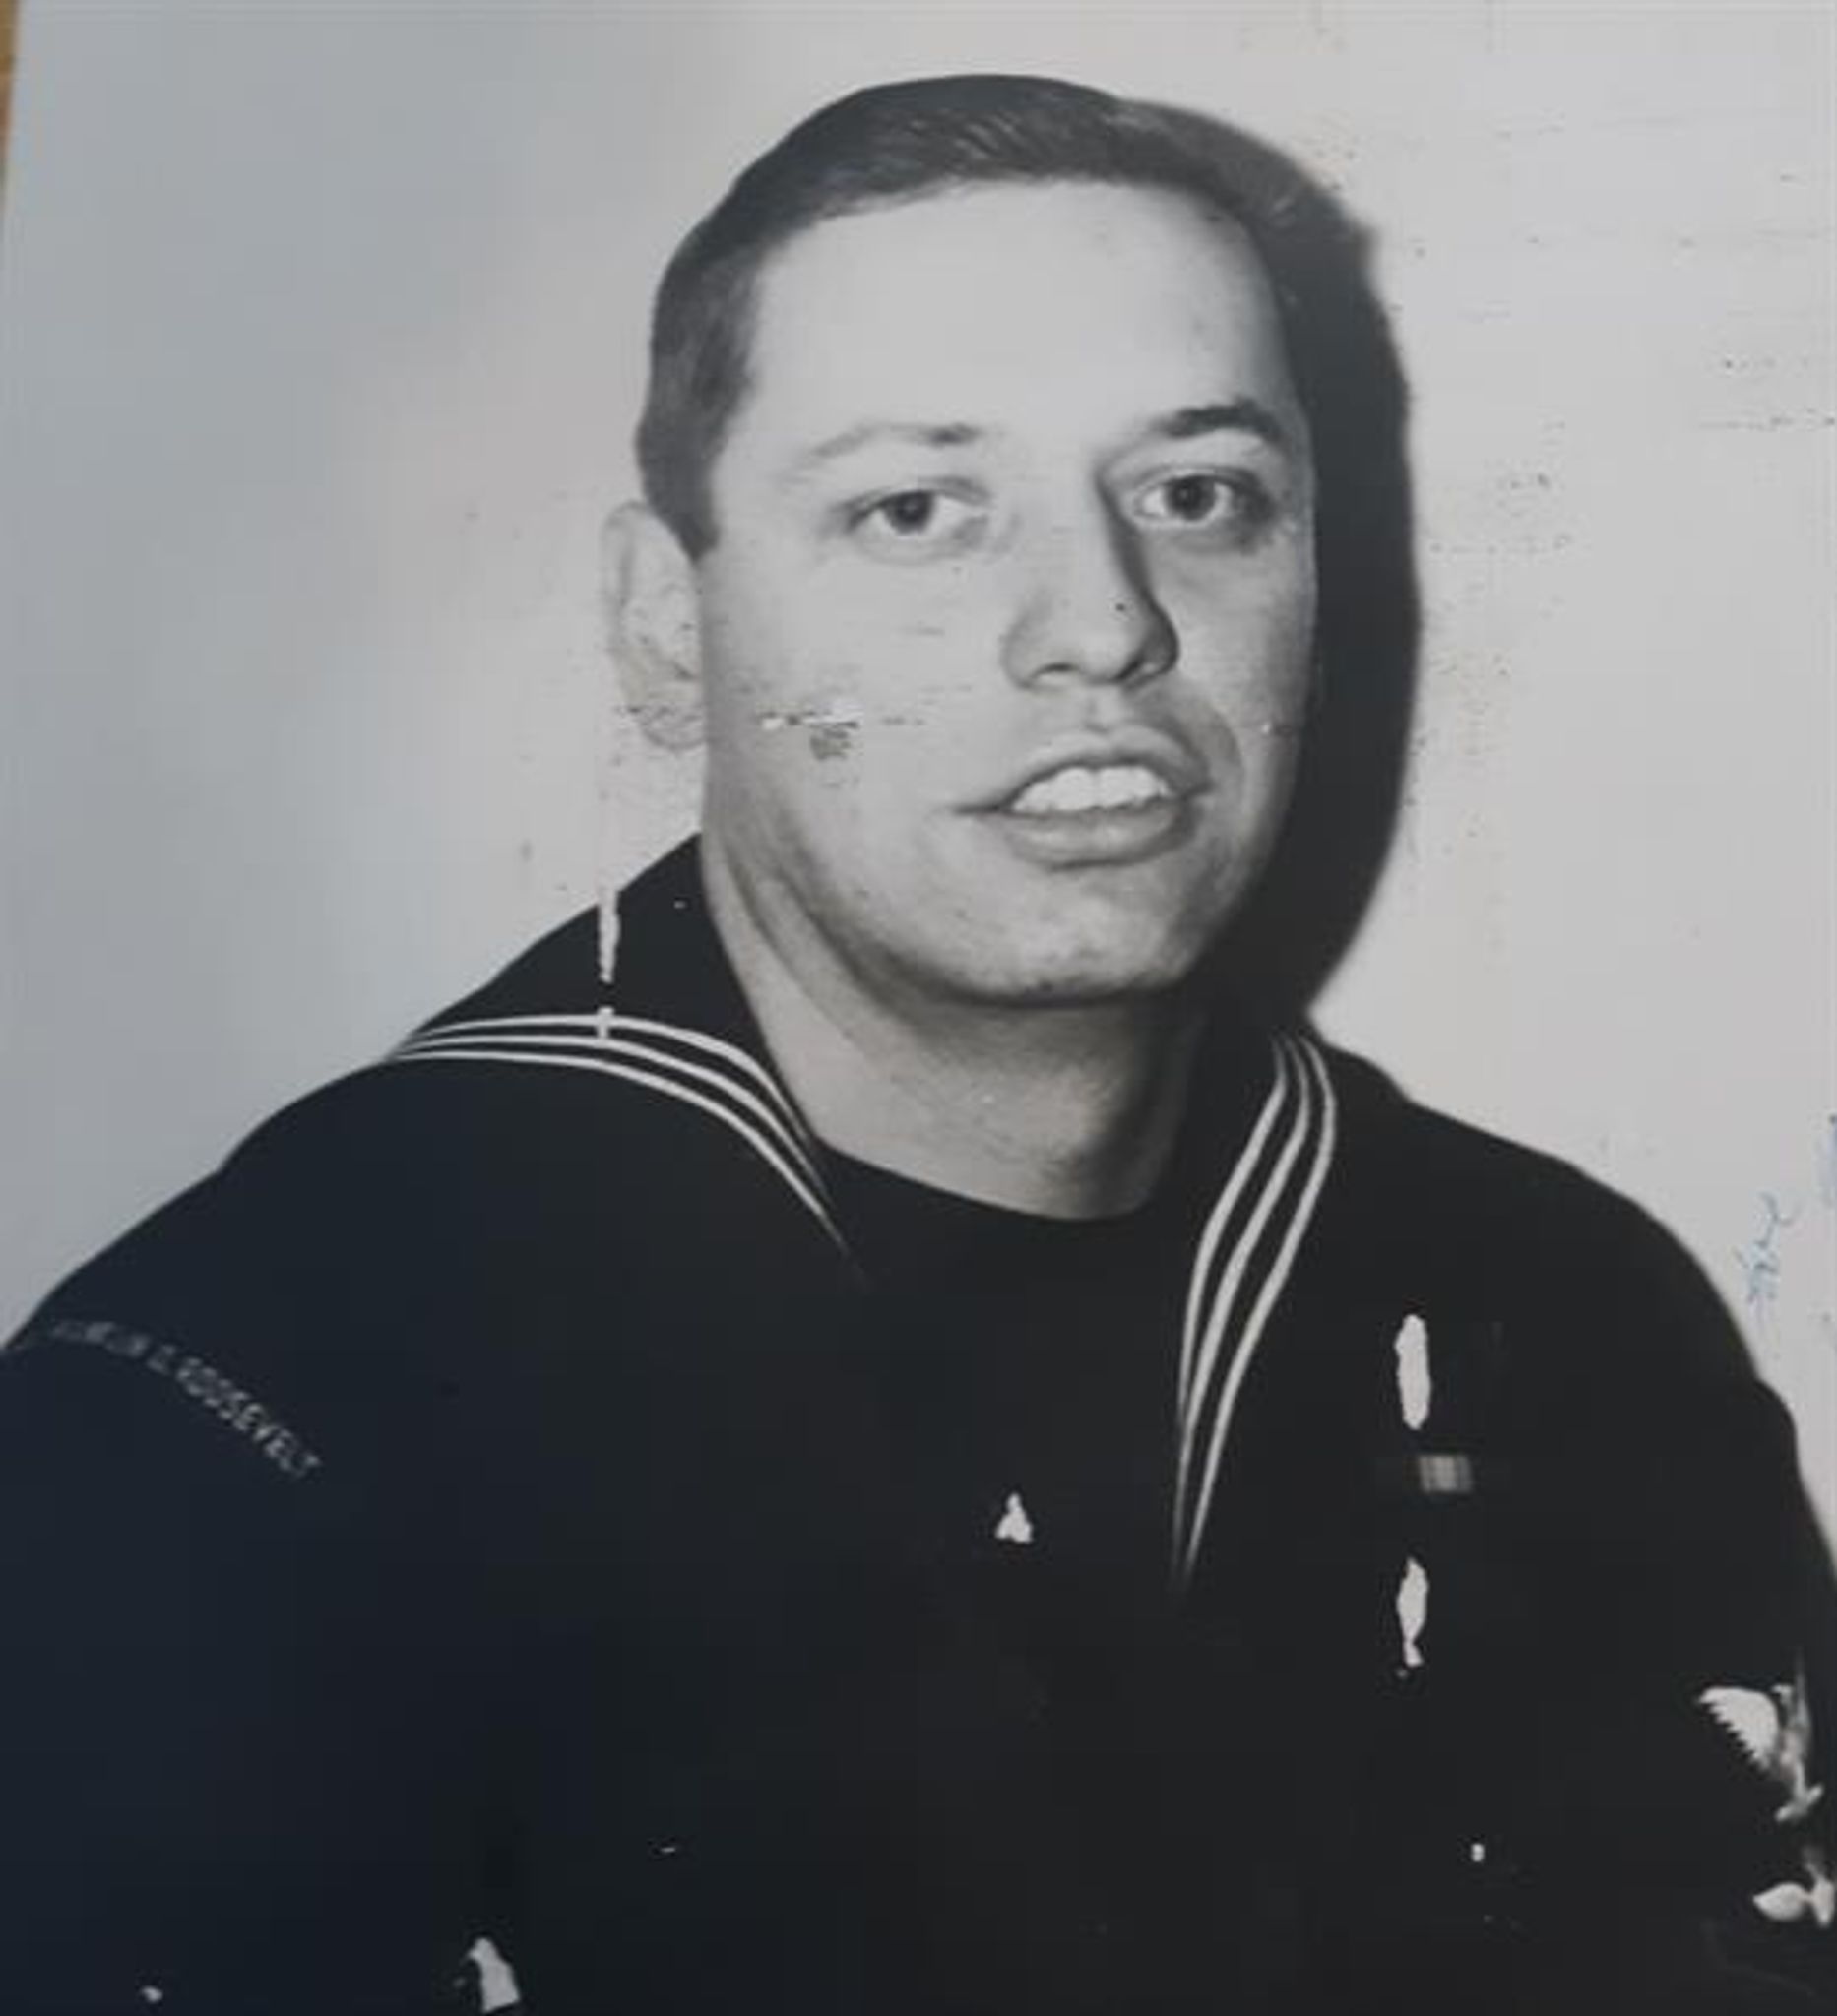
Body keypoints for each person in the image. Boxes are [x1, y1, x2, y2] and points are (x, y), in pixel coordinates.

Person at [1, 74, 1829, 2016]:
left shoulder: (1563, 1318)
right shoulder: (253, 1404)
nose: (1102, 625)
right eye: (917, 510)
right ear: (667, 625)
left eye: (1197, 493)